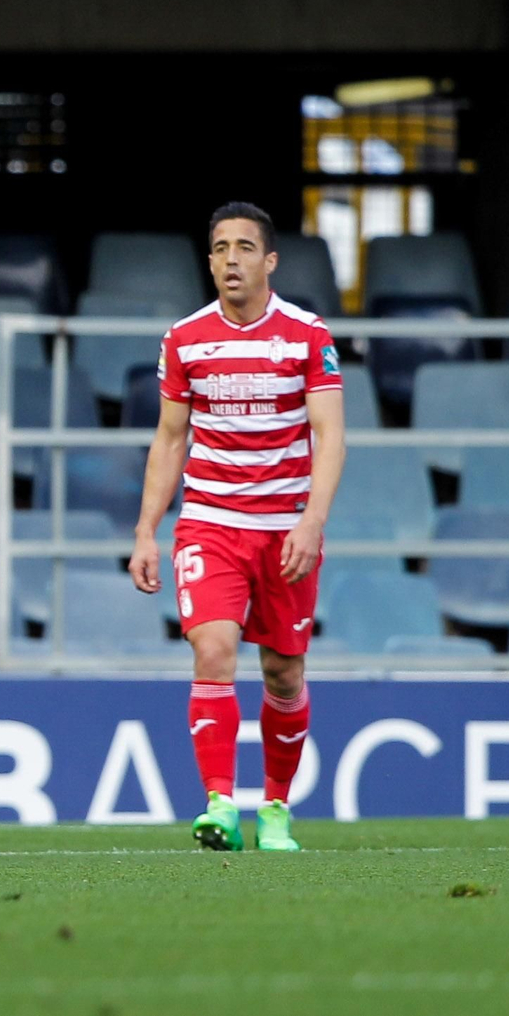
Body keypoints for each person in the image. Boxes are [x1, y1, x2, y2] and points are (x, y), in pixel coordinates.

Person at [127, 201, 345, 853]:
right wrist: (146, 531)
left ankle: (274, 809)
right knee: (213, 649)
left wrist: (312, 520)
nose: (230, 260)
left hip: (285, 529)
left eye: (245, 248)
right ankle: (220, 803)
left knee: (283, 672)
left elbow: (330, 434)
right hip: (210, 525)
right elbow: (169, 441)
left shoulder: (307, 335)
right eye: (220, 248)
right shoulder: (185, 339)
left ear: (269, 260)